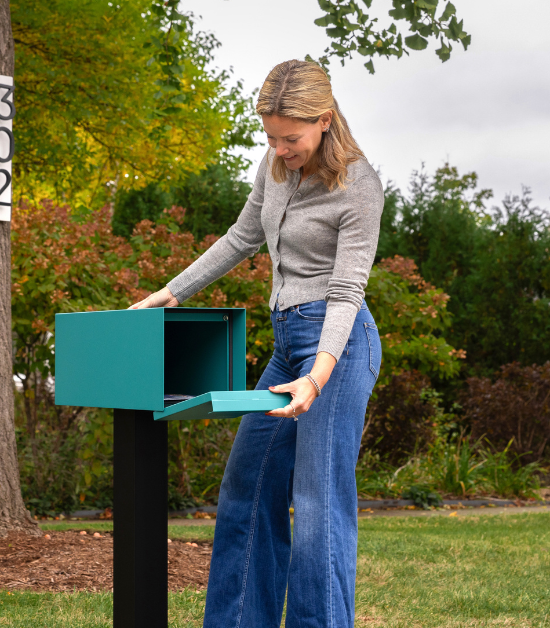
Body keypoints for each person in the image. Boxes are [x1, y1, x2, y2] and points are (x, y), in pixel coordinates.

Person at [129, 59, 385, 628]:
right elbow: (241, 237)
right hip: (286, 342)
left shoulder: (360, 185)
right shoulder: (273, 168)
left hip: (337, 350)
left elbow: (346, 294)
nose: (279, 148)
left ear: (324, 120)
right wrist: (170, 292)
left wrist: (317, 377)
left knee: (318, 505)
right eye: (269, 136)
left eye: (289, 138)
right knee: (248, 484)